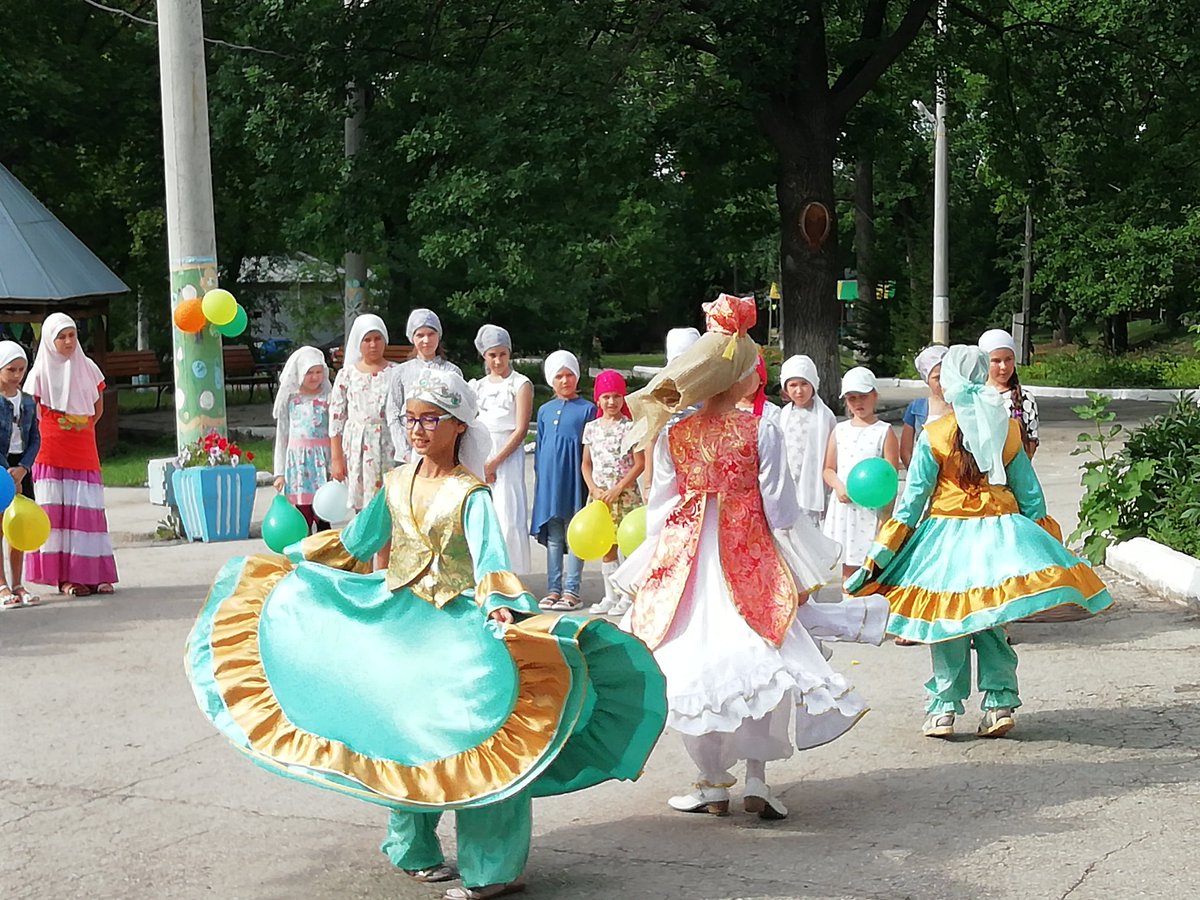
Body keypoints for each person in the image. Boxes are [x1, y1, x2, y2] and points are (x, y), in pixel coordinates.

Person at [185, 367, 666, 900]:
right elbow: (356, 542)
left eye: (428, 420)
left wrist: (504, 607)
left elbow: (489, 561)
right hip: (400, 625)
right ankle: (412, 847)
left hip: (459, 629)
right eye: (409, 420)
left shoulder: (470, 494)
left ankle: (493, 868)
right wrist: (299, 564)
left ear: (457, 425)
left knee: (481, 740)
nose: (416, 430)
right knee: (402, 734)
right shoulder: (395, 483)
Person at [617, 293, 888, 820]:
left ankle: (710, 779)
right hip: (746, 550)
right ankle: (757, 780)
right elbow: (781, 507)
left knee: (691, 657)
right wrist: (796, 551)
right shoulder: (759, 427)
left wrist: (657, 553)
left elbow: (661, 503)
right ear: (740, 376)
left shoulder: (676, 431)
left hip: (687, 556)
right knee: (764, 652)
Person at [846, 345, 1113, 739]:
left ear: (950, 382)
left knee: (948, 622)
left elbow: (912, 501)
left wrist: (882, 551)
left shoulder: (935, 434)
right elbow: (1030, 493)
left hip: (946, 539)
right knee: (991, 617)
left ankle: (943, 709)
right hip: (1000, 535)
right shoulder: (1007, 428)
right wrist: (1047, 545)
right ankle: (1000, 702)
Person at [23, 314, 117, 598]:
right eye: (61, 336)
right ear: (50, 340)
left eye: (72, 335)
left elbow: (97, 408)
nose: (67, 342)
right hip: (50, 453)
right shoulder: (38, 372)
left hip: (83, 451)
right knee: (57, 516)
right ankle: (65, 579)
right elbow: (31, 414)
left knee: (87, 514)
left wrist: (80, 427)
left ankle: (95, 575)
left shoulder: (88, 367)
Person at [531, 350, 595, 611]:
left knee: (574, 533)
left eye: (569, 375)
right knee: (555, 535)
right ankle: (553, 588)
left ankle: (572, 589)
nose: (565, 381)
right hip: (550, 483)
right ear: (551, 380)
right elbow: (539, 447)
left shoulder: (587, 409)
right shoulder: (545, 411)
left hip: (574, 481)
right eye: (559, 376)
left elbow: (591, 448)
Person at [822, 366, 900, 579]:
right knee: (846, 566)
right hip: (845, 508)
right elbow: (828, 469)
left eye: (863, 397)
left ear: (874, 396)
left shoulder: (884, 431)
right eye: (851, 398)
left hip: (871, 510)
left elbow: (890, 475)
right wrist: (839, 487)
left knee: (868, 566)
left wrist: (886, 516)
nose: (858, 403)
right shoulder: (840, 430)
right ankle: (847, 606)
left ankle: (866, 606)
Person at [468, 324, 532, 574]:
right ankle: (485, 571)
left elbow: (520, 429)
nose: (497, 360)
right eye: (492, 355)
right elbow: (473, 422)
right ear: (485, 356)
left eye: (502, 354)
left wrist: (494, 462)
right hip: (482, 450)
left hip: (506, 452)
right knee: (484, 513)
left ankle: (510, 572)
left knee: (507, 512)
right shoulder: (478, 386)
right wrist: (480, 461)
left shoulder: (519, 383)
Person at [581, 369, 644, 617]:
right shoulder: (591, 428)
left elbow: (639, 463)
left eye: (616, 397)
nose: (611, 402)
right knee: (606, 546)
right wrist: (594, 488)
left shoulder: (630, 427)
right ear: (598, 399)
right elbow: (586, 463)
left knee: (627, 546)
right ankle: (610, 595)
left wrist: (620, 487)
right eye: (606, 397)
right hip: (600, 499)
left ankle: (628, 596)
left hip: (625, 496)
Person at [329, 313, 398, 516]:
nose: (373, 345)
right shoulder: (347, 375)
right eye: (367, 340)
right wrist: (336, 459)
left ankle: (386, 547)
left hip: (388, 443)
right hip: (358, 446)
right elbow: (336, 417)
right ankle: (365, 546)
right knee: (363, 506)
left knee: (387, 505)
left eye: (377, 339)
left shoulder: (396, 372)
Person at [387, 308, 463, 464]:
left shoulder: (452, 371)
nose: (426, 340)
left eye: (431, 334)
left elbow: (459, 414)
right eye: (420, 335)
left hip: (442, 450)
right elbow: (393, 412)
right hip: (410, 449)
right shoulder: (401, 372)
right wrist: (405, 453)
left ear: (439, 336)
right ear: (412, 338)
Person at [272, 347, 333, 533]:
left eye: (318, 372)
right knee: (303, 513)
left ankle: (325, 550)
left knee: (324, 511)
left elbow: (335, 431)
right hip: (299, 465)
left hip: (322, 462)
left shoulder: (327, 398)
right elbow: (282, 435)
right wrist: (279, 472)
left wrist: (335, 464)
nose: (315, 377)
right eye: (309, 373)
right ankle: (305, 549)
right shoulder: (291, 399)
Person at [0, 341, 40, 608]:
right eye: (10, 370)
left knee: (20, 526)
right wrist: (8, 474)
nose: (17, 375)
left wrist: (24, 468)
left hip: (21, 466)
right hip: (2, 466)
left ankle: (18, 583)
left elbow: (36, 438)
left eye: (21, 369)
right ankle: (1, 585)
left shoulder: (27, 401)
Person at [778, 355, 836, 528]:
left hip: (811, 485)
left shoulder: (825, 416)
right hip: (789, 482)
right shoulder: (783, 414)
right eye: (793, 385)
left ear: (813, 385)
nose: (799, 391)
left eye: (804, 384)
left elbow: (831, 452)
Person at [642, 327, 702, 493]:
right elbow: (651, 437)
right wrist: (648, 483)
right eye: (678, 360)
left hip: (700, 466)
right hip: (667, 467)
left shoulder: (707, 388)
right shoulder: (659, 389)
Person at [979, 328, 1039, 459]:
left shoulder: (1025, 399)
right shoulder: (977, 397)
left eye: (1008, 359)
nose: (1003, 366)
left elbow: (1031, 442)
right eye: (996, 361)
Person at [900, 345, 951, 470]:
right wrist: (916, 475)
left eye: (947, 375)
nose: (943, 382)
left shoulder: (962, 406)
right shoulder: (917, 408)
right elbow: (905, 451)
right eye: (937, 378)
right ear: (927, 380)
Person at [735, 353, 781, 426]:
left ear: (761, 379)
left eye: (748, 375)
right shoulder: (724, 409)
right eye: (740, 375)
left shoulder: (771, 412)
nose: (743, 381)